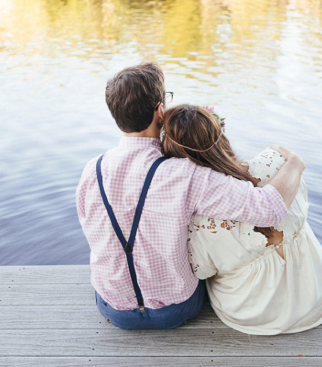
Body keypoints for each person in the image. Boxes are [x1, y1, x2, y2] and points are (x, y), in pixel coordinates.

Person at [75, 62, 306, 330]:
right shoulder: (184, 175)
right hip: (175, 310)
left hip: (113, 308)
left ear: (116, 116)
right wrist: (295, 163)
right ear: (159, 111)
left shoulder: (91, 171)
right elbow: (270, 208)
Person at [161, 104, 322, 335]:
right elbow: (304, 201)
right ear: (220, 134)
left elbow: (202, 271)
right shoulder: (275, 163)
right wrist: (293, 160)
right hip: (317, 293)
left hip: (254, 314)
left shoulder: (195, 221)